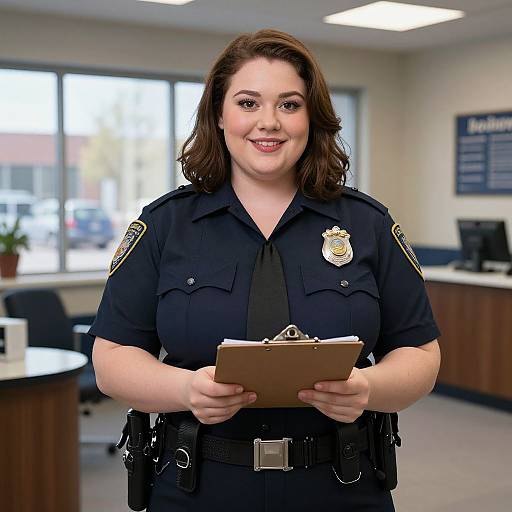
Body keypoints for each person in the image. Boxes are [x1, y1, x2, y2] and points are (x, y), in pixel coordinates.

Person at [90, 28, 441, 512]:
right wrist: (185, 389)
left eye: (290, 105)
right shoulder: (165, 224)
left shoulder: (368, 224)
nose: (269, 123)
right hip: (198, 486)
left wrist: (369, 389)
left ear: (311, 117)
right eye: (249, 103)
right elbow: (111, 358)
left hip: (342, 485)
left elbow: (420, 352)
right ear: (219, 114)